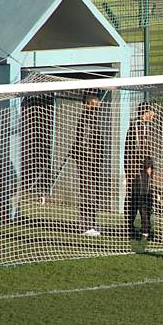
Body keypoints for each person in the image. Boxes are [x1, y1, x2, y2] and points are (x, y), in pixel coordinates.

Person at [73, 92, 104, 236]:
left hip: (93, 163)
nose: (98, 104)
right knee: (87, 192)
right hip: (87, 163)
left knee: (94, 193)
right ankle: (85, 225)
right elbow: (83, 142)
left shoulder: (93, 118)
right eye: (95, 102)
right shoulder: (86, 118)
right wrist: (89, 157)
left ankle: (91, 223)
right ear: (88, 104)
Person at [124, 102, 155, 239]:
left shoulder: (141, 126)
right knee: (143, 199)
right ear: (145, 112)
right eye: (151, 111)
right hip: (139, 170)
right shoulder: (138, 126)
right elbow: (140, 150)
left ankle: (131, 229)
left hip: (136, 170)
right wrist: (147, 166)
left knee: (135, 199)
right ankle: (144, 231)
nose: (153, 114)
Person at [129, 157, 155, 241]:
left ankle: (142, 231)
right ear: (149, 167)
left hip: (138, 197)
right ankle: (145, 233)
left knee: (141, 214)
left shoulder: (140, 175)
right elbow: (145, 188)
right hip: (143, 198)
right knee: (145, 215)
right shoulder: (146, 176)